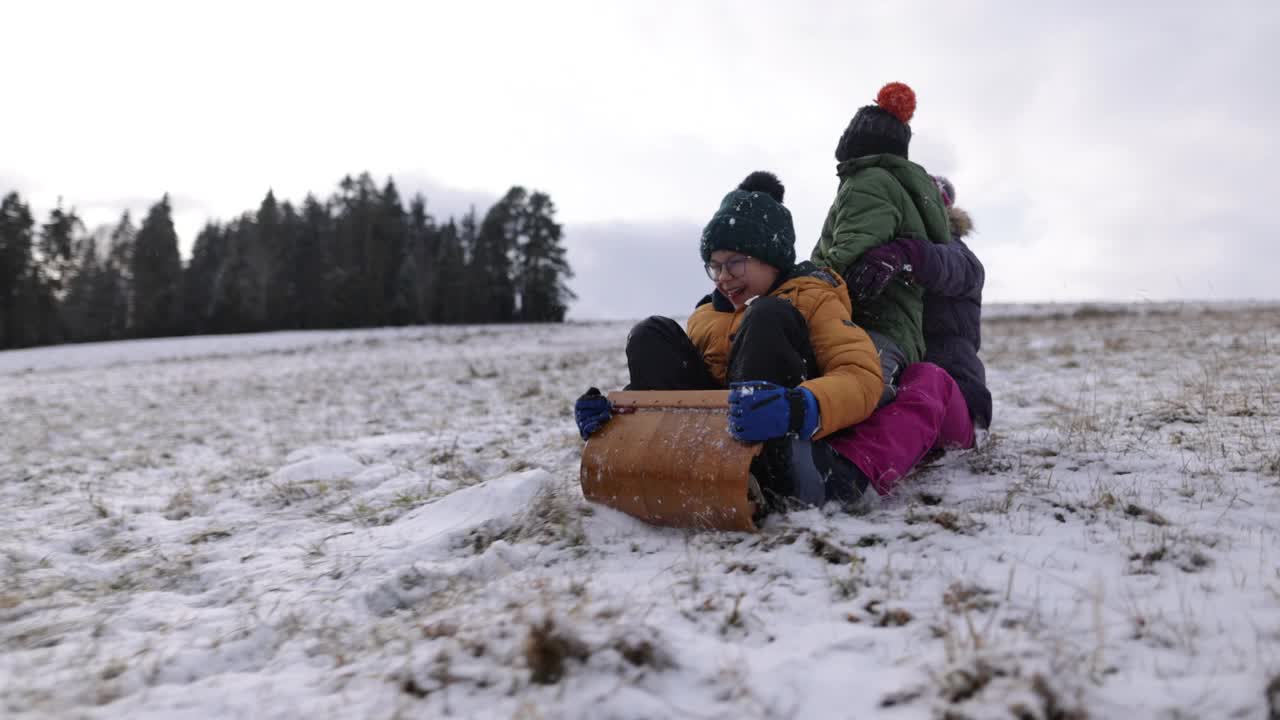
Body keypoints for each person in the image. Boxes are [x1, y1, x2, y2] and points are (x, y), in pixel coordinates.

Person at [575, 171, 883, 508]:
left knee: (768, 315)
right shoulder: (706, 315)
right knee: (651, 333)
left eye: (735, 263)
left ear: (773, 257)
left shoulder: (814, 298)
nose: (723, 277)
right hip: (712, 444)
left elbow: (861, 377)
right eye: (714, 266)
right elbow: (688, 390)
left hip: (785, 446)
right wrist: (619, 416)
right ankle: (664, 462)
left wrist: (797, 407)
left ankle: (767, 478)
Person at [824, 176, 991, 497]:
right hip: (890, 397)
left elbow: (952, 267)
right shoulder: (877, 260)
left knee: (926, 377)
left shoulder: (957, 256)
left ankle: (853, 477)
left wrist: (906, 253)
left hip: (955, 410)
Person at [810, 81, 952, 405]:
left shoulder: (868, 181)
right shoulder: (913, 190)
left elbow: (847, 252)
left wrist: (802, 287)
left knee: (856, 401)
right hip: (901, 331)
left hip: (868, 325)